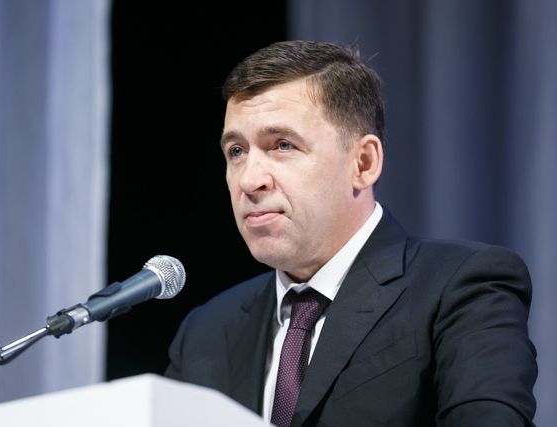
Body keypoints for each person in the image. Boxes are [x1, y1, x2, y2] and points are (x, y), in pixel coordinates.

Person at [164, 40, 537, 426]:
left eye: (282, 145)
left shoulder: (462, 287)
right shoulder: (206, 332)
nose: (249, 180)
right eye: (237, 151)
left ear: (363, 163)